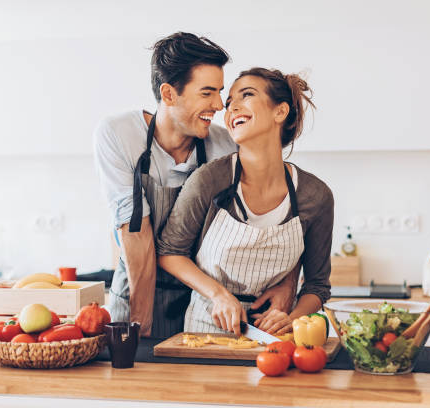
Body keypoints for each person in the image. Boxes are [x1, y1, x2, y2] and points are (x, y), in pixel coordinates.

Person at [94, 33, 299, 338]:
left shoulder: (225, 145)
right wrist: (140, 326)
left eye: (219, 92)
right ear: (168, 95)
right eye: (207, 93)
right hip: (137, 290)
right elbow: (135, 232)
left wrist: (287, 282)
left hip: (202, 303)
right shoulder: (119, 134)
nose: (219, 105)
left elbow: (279, 216)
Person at [157, 68, 333, 335]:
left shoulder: (315, 196)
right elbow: (170, 253)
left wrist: (293, 318)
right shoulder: (209, 180)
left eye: (246, 95)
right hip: (205, 331)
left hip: (277, 337)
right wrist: (218, 294)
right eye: (229, 103)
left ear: (280, 112)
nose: (230, 108)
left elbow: (317, 286)